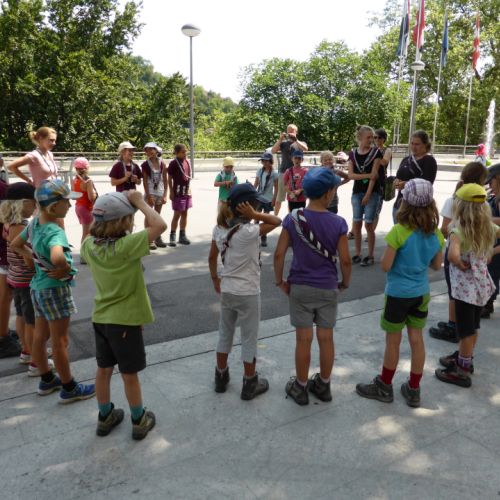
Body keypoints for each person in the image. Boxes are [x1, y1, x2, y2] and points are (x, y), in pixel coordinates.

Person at [81, 190, 166, 439]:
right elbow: (160, 225)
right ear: (124, 222)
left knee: (103, 369)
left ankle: (104, 416)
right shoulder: (127, 246)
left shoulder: (88, 245)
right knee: (129, 374)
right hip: (125, 321)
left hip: (101, 319)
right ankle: (139, 420)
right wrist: (139, 201)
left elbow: (93, 232)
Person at [356, 179, 444, 408]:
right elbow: (437, 265)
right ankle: (414, 389)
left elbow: (386, 266)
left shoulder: (399, 231)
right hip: (421, 293)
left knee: (393, 341)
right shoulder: (435, 234)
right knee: (417, 339)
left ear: (406, 202)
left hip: (398, 294)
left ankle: (385, 385)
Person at [10, 179, 95, 403]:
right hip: (55, 290)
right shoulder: (55, 231)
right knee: (60, 342)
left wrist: (33, 258)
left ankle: (47, 379)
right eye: (67, 201)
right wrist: (64, 267)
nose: (70, 205)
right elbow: (58, 257)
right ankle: (69, 387)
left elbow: (15, 244)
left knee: (40, 336)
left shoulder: (34, 224)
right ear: (54, 206)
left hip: (38, 288)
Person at [274, 168, 351, 405]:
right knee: (326, 338)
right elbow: (345, 260)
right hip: (328, 286)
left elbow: (279, 254)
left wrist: (279, 281)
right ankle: (324, 385)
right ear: (328, 193)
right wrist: (344, 282)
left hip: (300, 287)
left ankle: (301, 386)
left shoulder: (292, 218)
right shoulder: (338, 222)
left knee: (303, 339)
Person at [208, 183, 281, 400]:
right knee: (249, 337)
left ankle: (221, 376)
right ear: (248, 207)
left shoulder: (218, 229)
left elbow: (211, 258)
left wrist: (215, 279)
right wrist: (256, 215)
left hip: (227, 289)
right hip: (248, 292)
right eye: (256, 205)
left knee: (225, 332)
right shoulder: (250, 232)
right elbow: (277, 221)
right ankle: (250, 382)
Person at [435, 184, 500, 388]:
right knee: (473, 327)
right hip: (481, 288)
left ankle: (462, 370)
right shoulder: (488, 227)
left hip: (465, 292)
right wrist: (490, 253)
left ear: (460, 207)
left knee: (464, 331)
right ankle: (466, 357)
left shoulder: (458, 230)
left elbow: (453, 254)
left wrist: (457, 261)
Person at [428, 162, 488, 342]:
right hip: (475, 255)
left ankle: (454, 326)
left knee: (454, 290)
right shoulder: (482, 203)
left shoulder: (454, 200)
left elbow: (444, 229)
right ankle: (459, 325)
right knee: (464, 294)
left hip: (459, 256)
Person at [0, 182, 52, 375]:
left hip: (16, 278)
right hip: (26, 279)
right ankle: (37, 361)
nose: (36, 206)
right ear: (23, 203)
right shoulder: (21, 226)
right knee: (33, 322)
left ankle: (27, 351)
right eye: (33, 202)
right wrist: (42, 261)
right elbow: (28, 260)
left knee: (22, 316)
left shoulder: (8, 223)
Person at [347, 125, 383, 267]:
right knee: (356, 223)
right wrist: (368, 175)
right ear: (360, 138)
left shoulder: (376, 153)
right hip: (356, 192)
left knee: (368, 224)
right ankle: (357, 253)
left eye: (372, 137)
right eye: (368, 137)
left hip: (372, 193)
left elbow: (375, 177)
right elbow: (351, 175)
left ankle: (370, 255)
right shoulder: (352, 154)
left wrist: (368, 195)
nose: (371, 140)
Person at [393, 130, 437, 223]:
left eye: (417, 144)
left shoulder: (429, 160)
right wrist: (396, 181)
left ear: (425, 145)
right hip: (400, 204)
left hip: (416, 209)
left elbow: (427, 184)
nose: (413, 147)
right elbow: (398, 176)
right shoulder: (406, 159)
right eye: (412, 143)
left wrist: (405, 184)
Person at [0, 178, 22, 358]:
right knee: (5, 294)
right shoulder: (3, 189)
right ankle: (3, 338)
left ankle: (3, 330)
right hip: (3, 252)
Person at [271, 124, 308, 215]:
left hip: (297, 173)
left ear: (296, 132)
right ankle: (275, 217)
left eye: (292, 130)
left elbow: (306, 149)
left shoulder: (300, 142)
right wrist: (280, 139)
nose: (290, 132)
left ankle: (292, 217)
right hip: (283, 171)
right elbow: (273, 150)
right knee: (280, 197)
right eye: (289, 131)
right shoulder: (283, 143)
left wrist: (296, 140)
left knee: (293, 197)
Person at [141, 142, 168, 249]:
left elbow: (165, 180)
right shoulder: (145, 165)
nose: (150, 151)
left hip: (160, 192)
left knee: (157, 215)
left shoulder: (162, 163)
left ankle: (157, 237)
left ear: (156, 150)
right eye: (148, 150)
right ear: (146, 152)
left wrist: (165, 195)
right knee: (149, 215)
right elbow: (145, 181)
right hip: (151, 192)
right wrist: (148, 195)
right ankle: (148, 239)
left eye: (152, 149)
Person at [482, 163, 500, 318]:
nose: (489, 185)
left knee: (492, 272)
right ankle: (487, 302)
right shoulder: (494, 197)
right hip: (493, 243)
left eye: (491, 181)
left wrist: (484, 219)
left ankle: (487, 303)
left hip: (496, 248)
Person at [71, 157, 97, 263]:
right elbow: (91, 198)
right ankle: (84, 256)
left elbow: (74, 196)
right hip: (87, 208)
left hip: (78, 207)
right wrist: (94, 193)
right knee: (87, 233)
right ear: (87, 168)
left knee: (86, 232)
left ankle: (86, 254)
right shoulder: (88, 181)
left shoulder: (74, 180)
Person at [167, 144, 192, 247]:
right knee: (177, 214)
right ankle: (172, 236)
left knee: (185, 213)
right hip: (177, 192)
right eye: (182, 152)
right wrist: (171, 191)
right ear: (176, 153)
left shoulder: (187, 161)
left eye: (185, 151)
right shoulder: (173, 163)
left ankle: (182, 235)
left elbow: (187, 176)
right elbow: (169, 178)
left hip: (186, 191)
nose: (185, 153)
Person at [254, 152, 278, 247]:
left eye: (266, 161)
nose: (264, 162)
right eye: (262, 161)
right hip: (259, 198)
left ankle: (264, 237)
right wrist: (252, 194)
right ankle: (255, 237)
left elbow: (276, 188)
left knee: (266, 219)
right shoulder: (260, 171)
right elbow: (256, 184)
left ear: (270, 161)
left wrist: (274, 199)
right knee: (256, 217)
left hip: (268, 199)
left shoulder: (274, 173)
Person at [373, 128, 393, 230]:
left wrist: (373, 156)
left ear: (384, 139)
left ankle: (371, 233)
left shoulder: (387, 150)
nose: (376, 139)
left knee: (376, 209)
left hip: (380, 181)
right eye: (375, 137)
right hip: (369, 179)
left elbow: (384, 162)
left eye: (379, 137)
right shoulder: (371, 149)